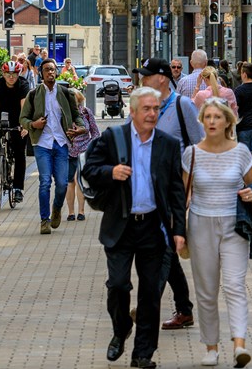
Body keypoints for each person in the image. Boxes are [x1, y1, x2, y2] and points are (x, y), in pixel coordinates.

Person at [83, 86, 187, 367]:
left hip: (154, 227)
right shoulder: (113, 138)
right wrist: (110, 172)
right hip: (121, 225)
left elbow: (177, 189)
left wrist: (179, 231)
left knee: (151, 294)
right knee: (118, 286)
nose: (153, 114)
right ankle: (121, 329)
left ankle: (142, 354)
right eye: (147, 109)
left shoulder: (166, 143)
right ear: (133, 111)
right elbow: (88, 170)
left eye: (156, 109)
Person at [183, 97, 252, 367]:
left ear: (228, 121)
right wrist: (178, 232)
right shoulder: (191, 153)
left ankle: (239, 345)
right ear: (202, 121)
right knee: (206, 290)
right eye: (208, 117)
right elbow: (183, 194)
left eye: (217, 117)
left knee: (235, 286)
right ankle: (211, 346)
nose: (212, 121)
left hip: (234, 225)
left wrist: (251, 193)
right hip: (201, 224)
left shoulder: (241, 152)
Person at [135, 56, 204, 332]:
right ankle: (184, 309)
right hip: (146, 189)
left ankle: (147, 306)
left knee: (162, 248)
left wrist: (190, 189)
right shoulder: (145, 106)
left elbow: (199, 146)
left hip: (174, 189)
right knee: (165, 250)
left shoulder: (181, 105)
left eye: (147, 75)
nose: (142, 79)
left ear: (161, 79)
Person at [19, 56, 86, 234]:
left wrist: (80, 127)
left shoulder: (66, 93)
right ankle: (44, 220)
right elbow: (23, 119)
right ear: (41, 73)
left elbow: (76, 114)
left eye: (53, 69)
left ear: (56, 71)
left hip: (61, 143)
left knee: (63, 184)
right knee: (45, 182)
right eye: (47, 69)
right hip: (42, 144)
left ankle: (57, 208)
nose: (50, 72)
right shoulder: (33, 94)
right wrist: (33, 125)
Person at [0, 60, 29, 203]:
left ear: (18, 74)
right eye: (8, 74)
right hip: (2, 115)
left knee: (20, 152)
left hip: (18, 118)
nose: (11, 77)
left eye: (14, 74)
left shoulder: (23, 84)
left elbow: (24, 105)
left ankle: (18, 189)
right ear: (3, 74)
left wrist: (24, 125)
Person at [66, 88, 100, 222]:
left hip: (83, 152)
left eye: (74, 98)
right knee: (70, 182)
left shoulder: (86, 112)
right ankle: (70, 212)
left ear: (79, 99)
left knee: (79, 181)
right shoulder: (63, 113)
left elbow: (96, 133)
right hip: (68, 151)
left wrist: (90, 148)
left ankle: (81, 211)